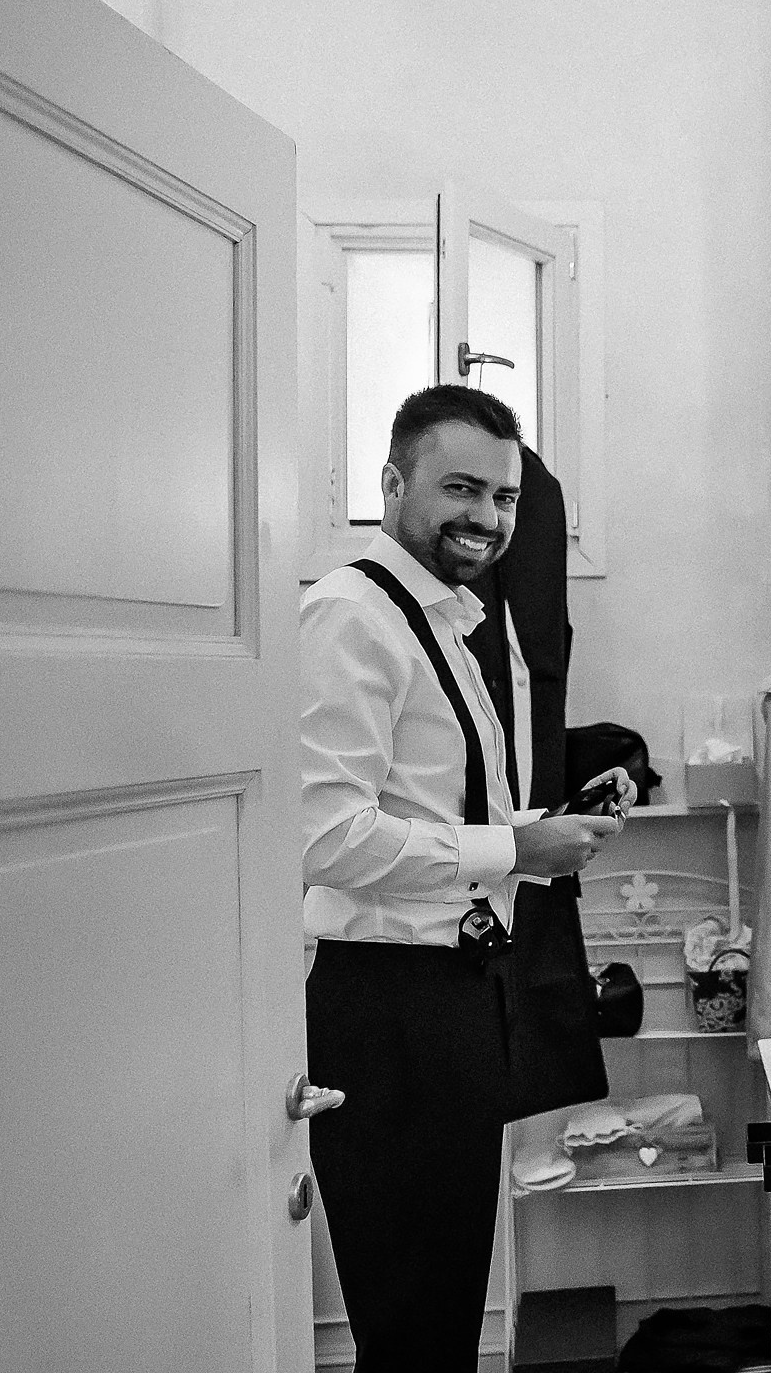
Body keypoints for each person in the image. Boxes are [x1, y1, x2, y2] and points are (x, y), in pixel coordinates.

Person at [298, 385, 629, 1372]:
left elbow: (432, 814)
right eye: (460, 488)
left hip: (454, 1000)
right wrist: (517, 853)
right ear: (392, 483)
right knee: (411, 1325)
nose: (487, 517)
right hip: (387, 1008)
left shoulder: (441, 623)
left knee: (441, 1316)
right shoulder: (350, 618)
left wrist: (544, 825)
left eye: (506, 496)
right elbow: (325, 837)